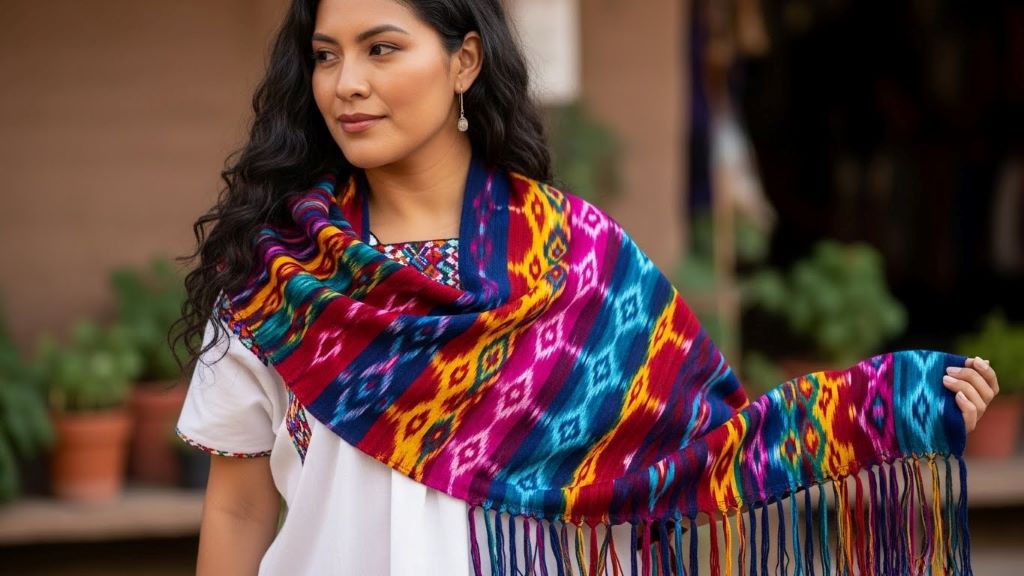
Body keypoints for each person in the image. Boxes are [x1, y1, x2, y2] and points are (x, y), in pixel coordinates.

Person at [174, 1, 1000, 575]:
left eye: (381, 48)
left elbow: (705, 450)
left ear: (464, 60)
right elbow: (240, 508)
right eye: (326, 55)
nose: (345, 82)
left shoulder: (575, 261)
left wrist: (889, 408)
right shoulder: (280, 278)